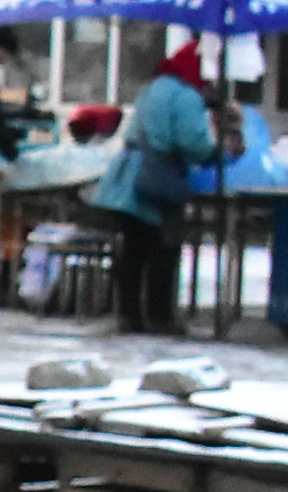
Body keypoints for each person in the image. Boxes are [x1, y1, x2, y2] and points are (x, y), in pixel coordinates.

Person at [90, 41, 217, 335]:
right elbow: (192, 143)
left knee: (133, 250)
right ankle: (160, 316)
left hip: (127, 178)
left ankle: (129, 314)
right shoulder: (186, 96)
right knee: (163, 249)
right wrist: (216, 152)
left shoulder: (152, 88)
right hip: (158, 181)